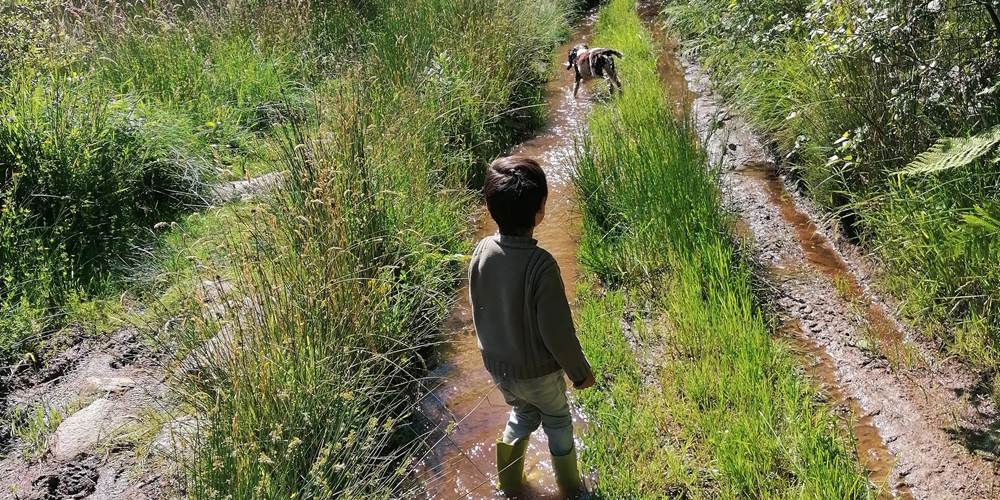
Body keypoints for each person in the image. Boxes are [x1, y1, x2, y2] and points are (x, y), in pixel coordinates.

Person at [468, 155, 596, 497]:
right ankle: (570, 488)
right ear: (541, 209)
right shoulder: (541, 266)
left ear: (490, 207)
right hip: (538, 372)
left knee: (522, 414)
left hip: (499, 368)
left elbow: (480, 306)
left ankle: (510, 485)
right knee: (556, 419)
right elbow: (558, 331)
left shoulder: (481, 251)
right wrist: (579, 371)